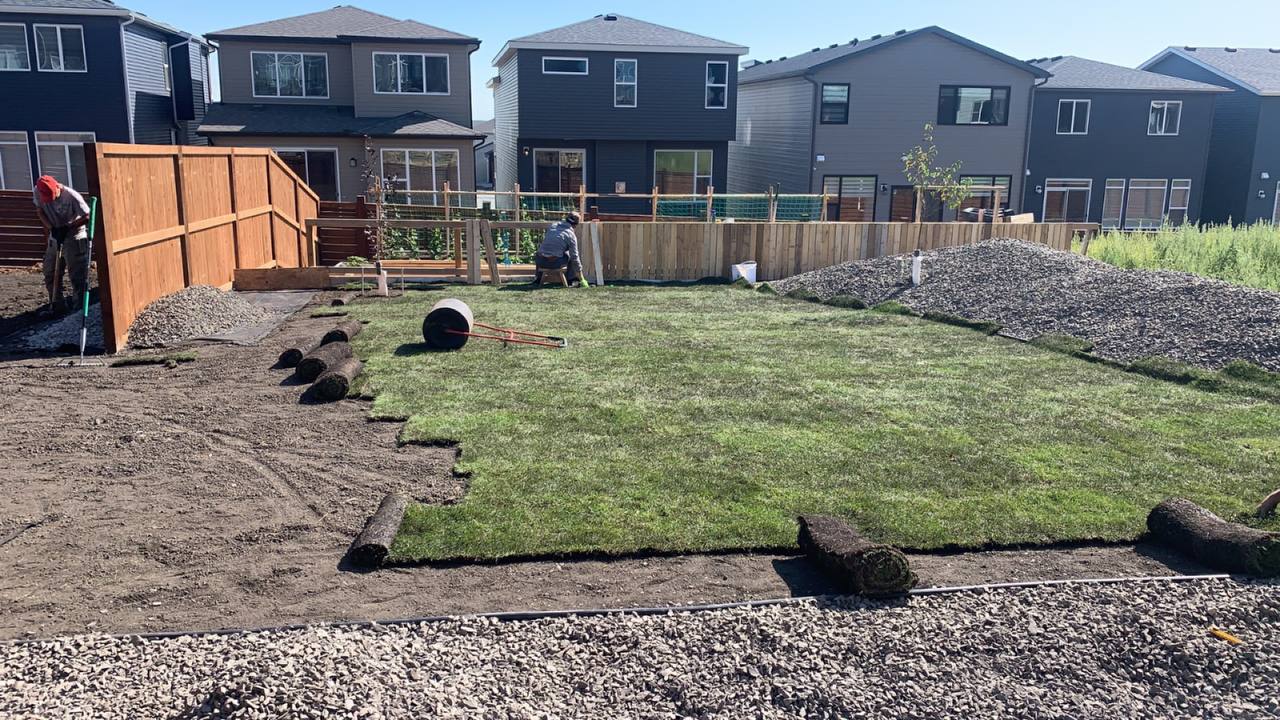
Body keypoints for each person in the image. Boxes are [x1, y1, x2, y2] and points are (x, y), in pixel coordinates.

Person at [33, 175, 91, 313]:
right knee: (50, 272)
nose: (50, 200)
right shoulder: (38, 192)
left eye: (53, 196)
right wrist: (51, 228)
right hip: (55, 237)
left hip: (74, 237)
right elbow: (40, 211)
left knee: (77, 275)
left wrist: (68, 227)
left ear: (57, 187)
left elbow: (87, 216)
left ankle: (79, 311)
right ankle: (57, 306)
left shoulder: (71, 196)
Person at [534, 211, 583, 286]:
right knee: (571, 255)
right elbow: (575, 257)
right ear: (575, 225)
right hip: (555, 263)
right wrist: (581, 277)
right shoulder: (570, 235)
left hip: (540, 261)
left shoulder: (553, 226)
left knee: (541, 252)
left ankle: (538, 278)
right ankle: (572, 280)